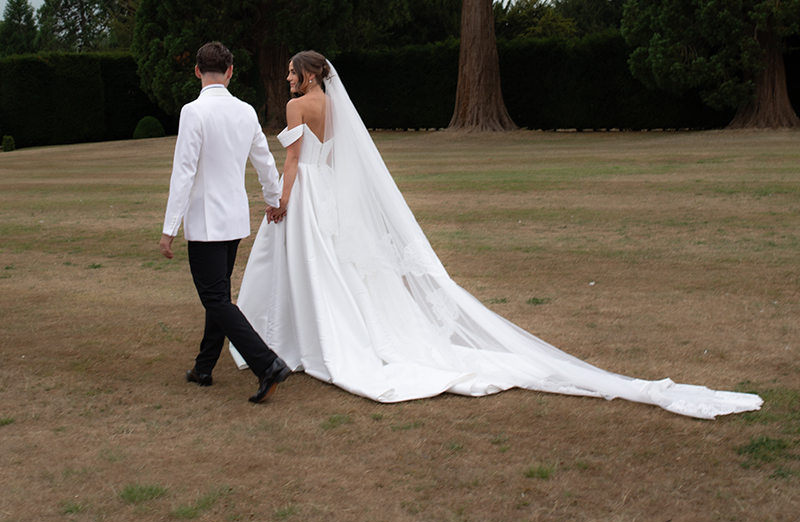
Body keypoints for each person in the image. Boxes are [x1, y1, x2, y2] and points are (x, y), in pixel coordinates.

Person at [231, 51, 762, 419]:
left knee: (311, 268)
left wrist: (279, 200)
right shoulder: (337, 110)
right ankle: (310, 336)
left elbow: (295, 160)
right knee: (335, 269)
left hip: (308, 196)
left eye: (290, 73)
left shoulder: (299, 107)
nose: (287, 79)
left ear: (305, 75)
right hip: (334, 195)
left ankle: (296, 340)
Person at [160, 41, 291, 404]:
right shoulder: (246, 111)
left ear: (198, 71)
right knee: (218, 296)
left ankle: (268, 364)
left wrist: (169, 228)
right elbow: (264, 162)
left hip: (205, 223)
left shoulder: (193, 111)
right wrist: (274, 199)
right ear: (230, 71)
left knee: (215, 298)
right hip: (233, 221)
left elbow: (183, 172)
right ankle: (204, 368)